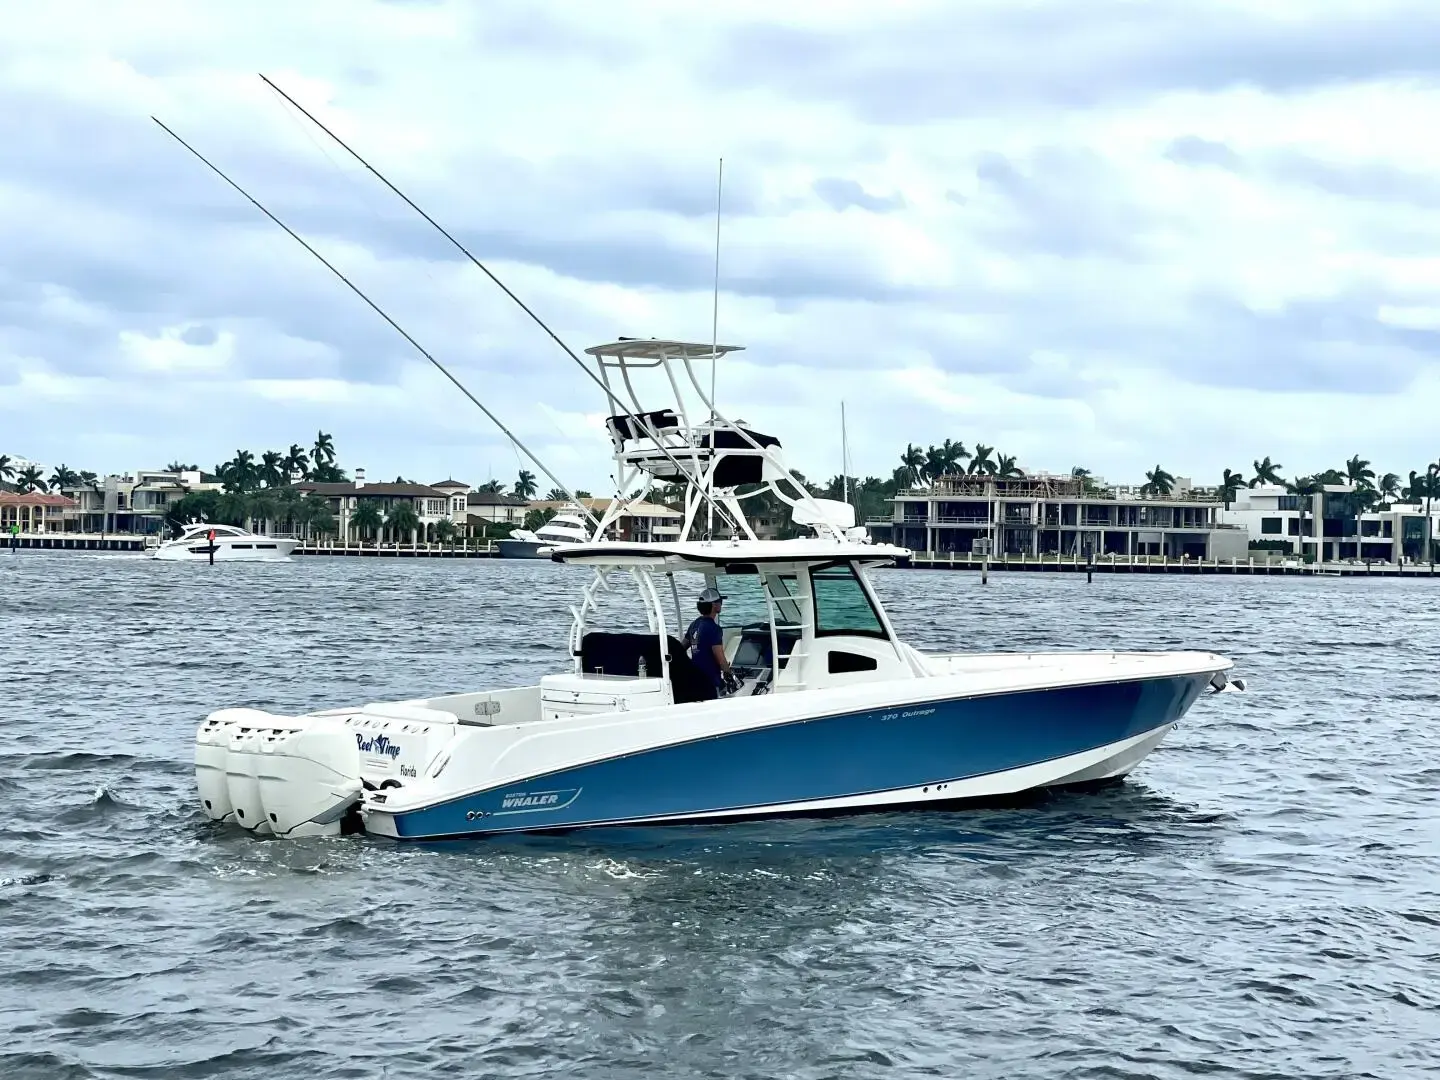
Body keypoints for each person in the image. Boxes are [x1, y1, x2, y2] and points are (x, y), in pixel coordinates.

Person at [684, 586, 739, 697]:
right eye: (720, 601)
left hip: (696, 679)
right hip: (711, 682)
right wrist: (729, 675)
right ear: (714, 605)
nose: (721, 604)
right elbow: (720, 659)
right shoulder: (714, 628)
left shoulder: (694, 624)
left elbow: (681, 648)